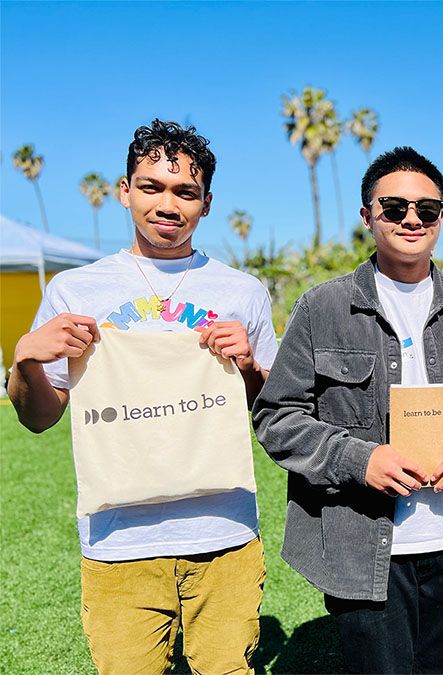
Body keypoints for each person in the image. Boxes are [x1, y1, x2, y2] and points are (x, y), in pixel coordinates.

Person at [8, 119, 278, 674]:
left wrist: (250, 366)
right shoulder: (74, 290)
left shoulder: (242, 291)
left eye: (185, 192)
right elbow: (39, 417)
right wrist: (25, 358)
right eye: (151, 187)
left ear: (206, 203)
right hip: (117, 540)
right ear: (125, 191)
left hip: (223, 531)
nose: (168, 204)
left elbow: (270, 412)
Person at [252, 146, 443, 674]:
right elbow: (277, 415)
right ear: (367, 216)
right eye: (394, 207)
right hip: (360, 548)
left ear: (442, 216)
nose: (412, 219)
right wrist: (359, 460)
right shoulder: (321, 308)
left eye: (428, 208)